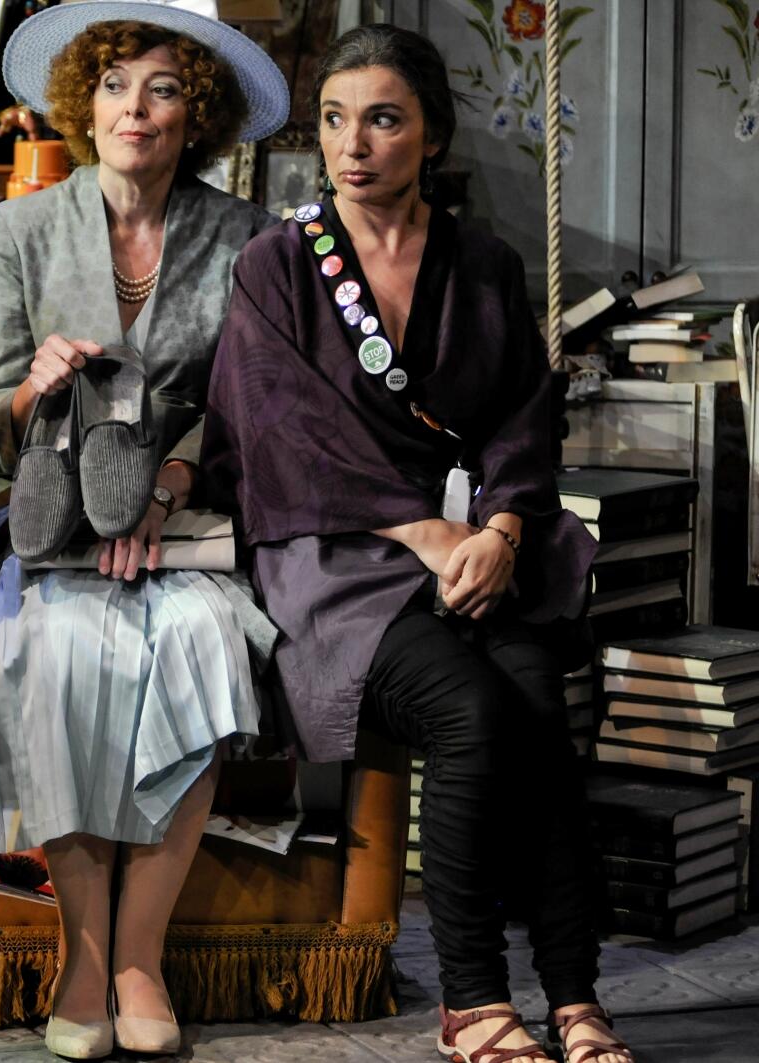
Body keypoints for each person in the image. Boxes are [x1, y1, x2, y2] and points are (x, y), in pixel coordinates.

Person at [203, 23, 630, 1063]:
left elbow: (521, 416)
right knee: (468, 707)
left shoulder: (482, 263)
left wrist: (503, 527)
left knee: (538, 704)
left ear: (431, 135)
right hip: (331, 553)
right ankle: (473, 999)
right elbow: (275, 436)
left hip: (471, 544)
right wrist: (428, 532)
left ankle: (575, 996)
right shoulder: (276, 264)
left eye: (383, 120)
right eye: (334, 120)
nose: (352, 145)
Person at [0, 2, 288, 1058]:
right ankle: (84, 958)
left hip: (183, 520)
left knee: (197, 639)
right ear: (82, 103)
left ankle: (138, 957)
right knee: (50, 651)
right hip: (48, 519)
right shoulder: (14, 231)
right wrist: (31, 390)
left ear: (197, 115)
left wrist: (170, 480)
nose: (133, 108)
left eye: (162, 89)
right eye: (112, 86)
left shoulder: (248, 239)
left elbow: (255, 405)